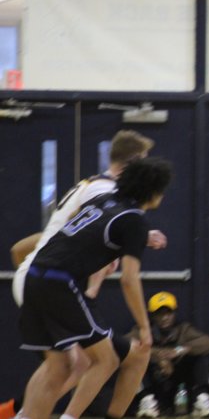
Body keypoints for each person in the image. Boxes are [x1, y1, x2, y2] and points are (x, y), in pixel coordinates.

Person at [10, 130, 166, 419]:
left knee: (61, 366)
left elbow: (64, 234)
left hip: (35, 272)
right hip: (60, 281)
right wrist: (144, 327)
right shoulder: (123, 209)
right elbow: (129, 278)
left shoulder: (98, 195)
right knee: (104, 360)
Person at [131, 291, 209, 418]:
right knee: (133, 361)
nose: (164, 318)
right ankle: (147, 402)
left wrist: (179, 351)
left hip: (180, 388)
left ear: (174, 313)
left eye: (168, 313)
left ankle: (201, 399)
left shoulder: (183, 329)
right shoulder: (143, 330)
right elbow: (127, 343)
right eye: (159, 314)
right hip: (155, 384)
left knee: (201, 359)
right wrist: (157, 356)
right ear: (152, 315)